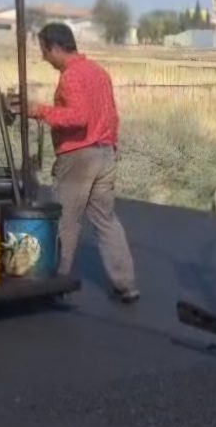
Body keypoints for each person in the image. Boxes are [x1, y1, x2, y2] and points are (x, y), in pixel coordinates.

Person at [12, 22, 139, 303]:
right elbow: (111, 115)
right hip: (105, 153)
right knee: (106, 220)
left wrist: (38, 110)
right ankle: (126, 284)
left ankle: (55, 281)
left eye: (45, 51)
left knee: (66, 220)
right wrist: (110, 145)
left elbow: (78, 117)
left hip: (79, 157)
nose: (44, 57)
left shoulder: (71, 76)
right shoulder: (98, 72)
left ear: (55, 48)